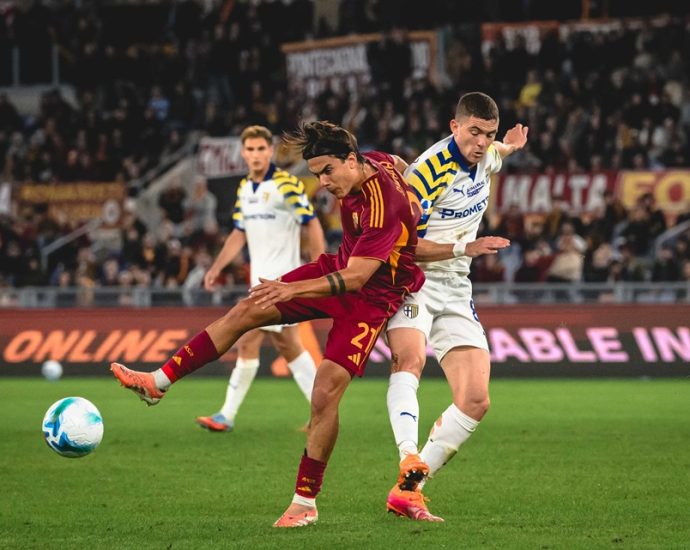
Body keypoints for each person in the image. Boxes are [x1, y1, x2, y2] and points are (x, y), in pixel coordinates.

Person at [111, 121, 426, 528]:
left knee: (324, 394)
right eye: (316, 174)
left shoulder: (383, 205)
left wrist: (291, 289)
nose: (323, 182)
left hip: (372, 297)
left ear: (351, 160)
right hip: (340, 267)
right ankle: (159, 382)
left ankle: (304, 503)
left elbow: (357, 278)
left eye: (327, 171)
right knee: (247, 309)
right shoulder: (376, 162)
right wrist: (419, 187)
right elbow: (401, 163)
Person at [384, 92, 528, 521]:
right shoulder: (427, 173)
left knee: (476, 399)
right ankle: (407, 454)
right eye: (474, 132)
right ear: (454, 127)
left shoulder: (487, 155)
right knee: (409, 360)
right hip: (414, 281)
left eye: (488, 134)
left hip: (456, 287)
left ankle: (408, 490)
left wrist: (510, 145)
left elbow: (497, 152)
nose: (481, 142)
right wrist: (467, 247)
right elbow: (403, 245)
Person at [195, 125, 325, 433]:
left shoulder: (286, 184)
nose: (255, 155)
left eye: (261, 149)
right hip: (260, 283)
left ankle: (226, 415)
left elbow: (312, 223)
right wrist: (216, 267)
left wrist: (320, 266)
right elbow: (239, 234)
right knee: (289, 346)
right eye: (250, 149)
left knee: (248, 339)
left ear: (270, 151)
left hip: (281, 283)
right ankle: (323, 410)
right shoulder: (244, 189)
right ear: (243, 153)